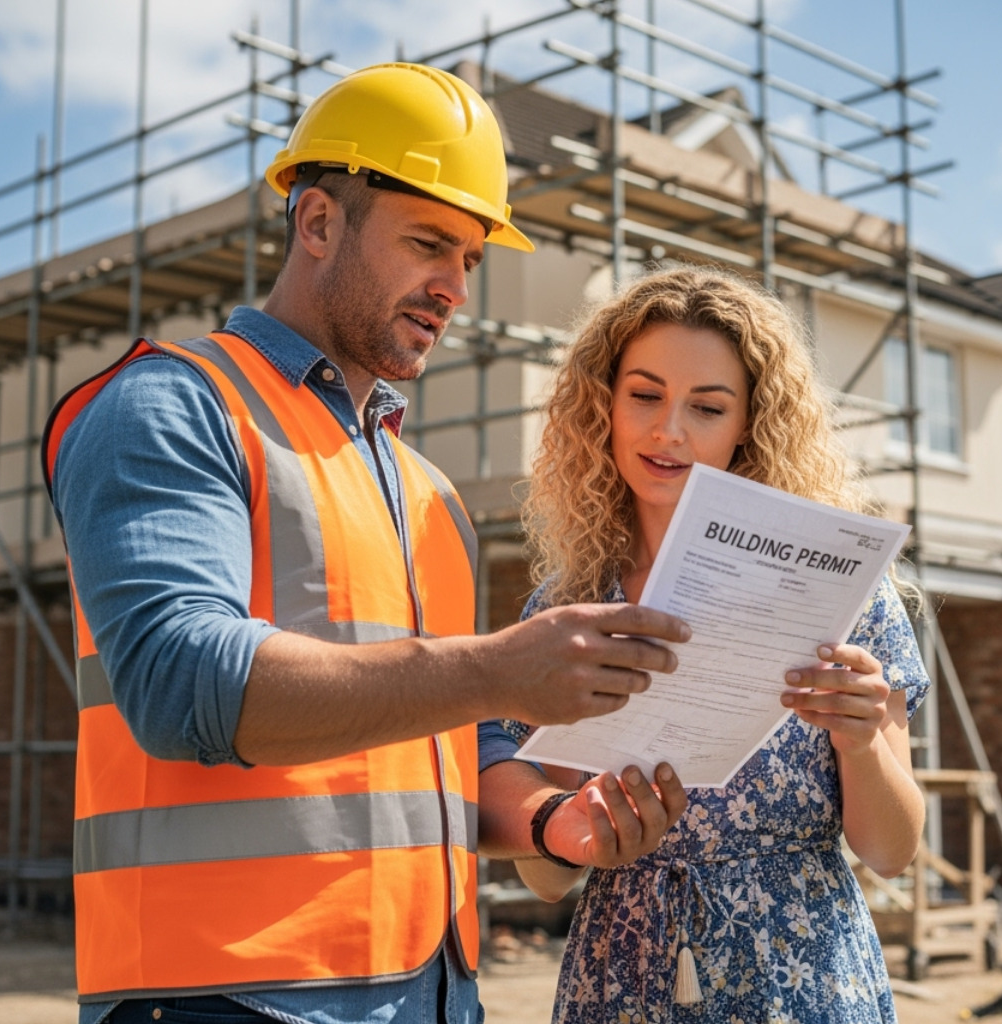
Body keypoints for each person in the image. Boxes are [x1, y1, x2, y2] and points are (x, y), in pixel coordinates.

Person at [43, 63, 691, 1024]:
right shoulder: (173, 405)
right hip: (223, 994)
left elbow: (443, 752)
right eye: (428, 243)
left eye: (470, 258)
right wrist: (497, 672)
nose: (454, 289)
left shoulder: (425, 493)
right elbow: (180, 681)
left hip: (428, 992)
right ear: (316, 224)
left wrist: (556, 824)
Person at [478, 267, 930, 1023]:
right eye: (645, 396)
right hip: (622, 980)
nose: (669, 432)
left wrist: (860, 743)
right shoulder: (562, 609)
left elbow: (891, 851)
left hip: (805, 980)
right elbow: (546, 881)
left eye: (707, 407)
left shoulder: (848, 595)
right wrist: (570, 823)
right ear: (605, 407)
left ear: (750, 422)